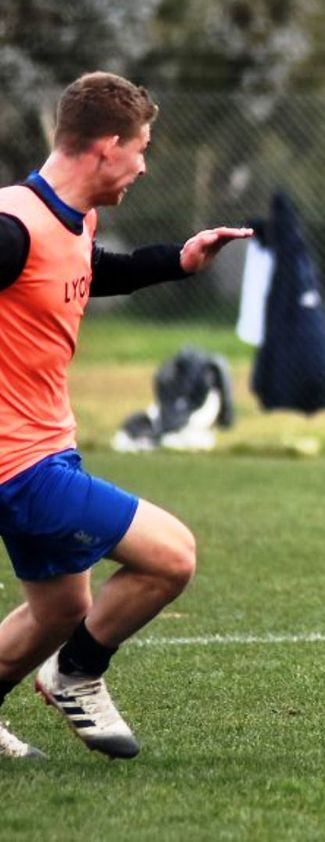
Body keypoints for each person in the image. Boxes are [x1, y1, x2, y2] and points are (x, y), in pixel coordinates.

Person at [0, 72, 251, 759]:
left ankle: (65, 658)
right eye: (140, 149)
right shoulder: (11, 224)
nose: (144, 165)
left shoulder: (72, 217)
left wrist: (178, 259)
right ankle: (77, 676)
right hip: (17, 465)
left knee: (60, 611)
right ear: (107, 147)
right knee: (172, 557)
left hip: (49, 448)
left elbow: (85, 270)